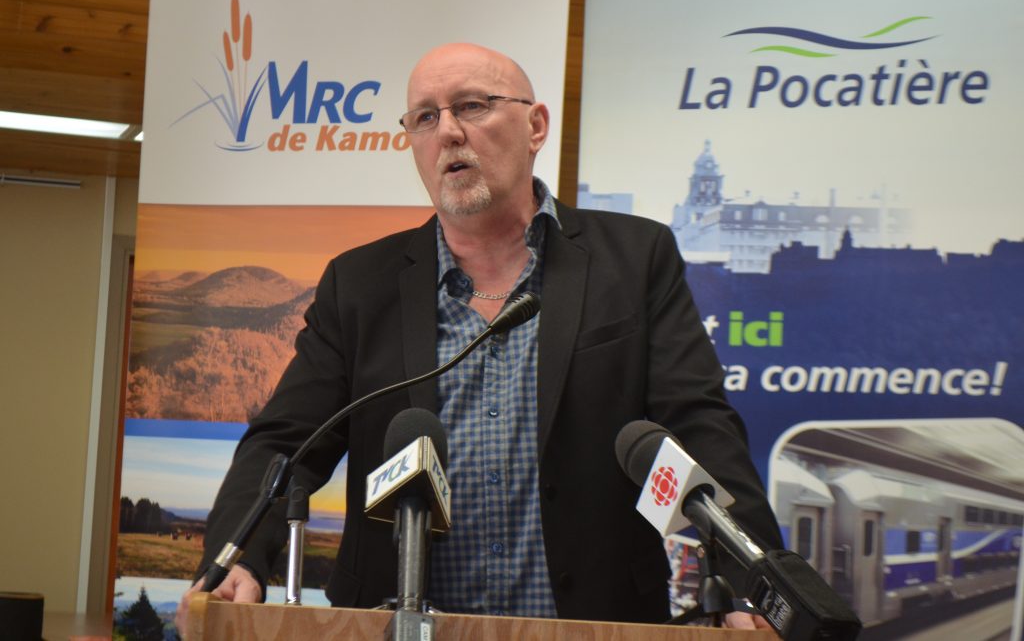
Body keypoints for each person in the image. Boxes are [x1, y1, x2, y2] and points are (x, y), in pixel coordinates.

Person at [176, 42, 783, 632]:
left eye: (471, 106)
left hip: (599, 620)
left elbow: (697, 425)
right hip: (395, 622)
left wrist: (754, 583)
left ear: (535, 126)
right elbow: (286, 442)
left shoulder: (634, 258)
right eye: (424, 117)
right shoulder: (359, 283)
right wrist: (235, 559)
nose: (447, 132)